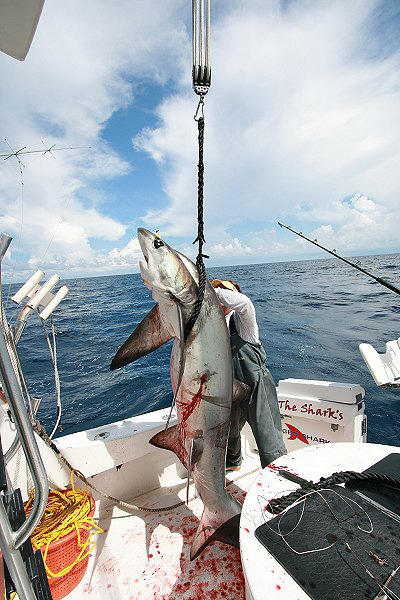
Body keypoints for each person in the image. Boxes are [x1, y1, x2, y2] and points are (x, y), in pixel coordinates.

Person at [211, 279, 287, 470]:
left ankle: (278, 474)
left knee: (267, 433)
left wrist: (208, 291)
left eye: (224, 291)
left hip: (256, 386)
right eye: (216, 289)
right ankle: (232, 463)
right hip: (231, 387)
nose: (219, 293)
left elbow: (245, 302)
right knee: (230, 430)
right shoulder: (214, 325)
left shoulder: (242, 319)